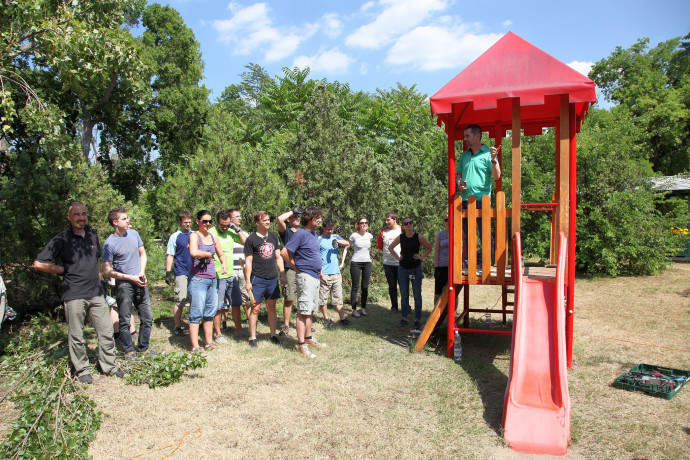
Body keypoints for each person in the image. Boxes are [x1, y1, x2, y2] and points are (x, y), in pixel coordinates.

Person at [33, 202, 124, 384]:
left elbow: (96, 261)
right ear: (69, 217)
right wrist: (61, 270)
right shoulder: (62, 239)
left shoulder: (92, 234)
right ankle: (82, 370)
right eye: (76, 214)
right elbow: (39, 263)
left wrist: (100, 282)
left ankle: (109, 365)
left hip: (96, 292)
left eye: (83, 214)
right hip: (74, 293)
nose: (81, 218)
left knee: (106, 331)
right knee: (77, 334)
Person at [102, 208, 154, 360]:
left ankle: (143, 348)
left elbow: (142, 254)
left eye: (127, 218)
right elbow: (107, 270)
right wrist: (129, 277)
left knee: (147, 317)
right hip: (124, 285)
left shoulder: (134, 234)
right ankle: (129, 351)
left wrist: (141, 272)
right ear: (115, 222)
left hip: (140, 281)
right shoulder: (109, 243)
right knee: (125, 320)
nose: (128, 220)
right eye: (124, 219)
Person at [281, 207, 328, 358]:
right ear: (309, 218)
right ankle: (301, 345)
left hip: (314, 276)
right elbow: (284, 253)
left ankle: (308, 339)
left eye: (320, 217)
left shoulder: (313, 233)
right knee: (303, 311)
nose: (320, 220)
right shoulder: (300, 233)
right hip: (305, 276)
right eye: (317, 217)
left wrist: (320, 273)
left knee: (311, 309)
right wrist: (295, 265)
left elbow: (313, 254)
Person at [456, 124, 501, 268]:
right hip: (464, 200)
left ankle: (487, 263)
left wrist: (494, 159)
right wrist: (459, 183)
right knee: (467, 234)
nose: (464, 139)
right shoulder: (465, 154)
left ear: (477, 136)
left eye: (467, 136)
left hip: (482, 200)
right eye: (464, 136)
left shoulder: (488, 153)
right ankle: (470, 262)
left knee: (485, 233)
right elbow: (460, 174)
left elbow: (497, 176)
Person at [243, 211, 286, 347]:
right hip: (258, 278)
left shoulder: (273, 237)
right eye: (264, 220)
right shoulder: (251, 239)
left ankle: (273, 334)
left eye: (268, 220)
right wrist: (248, 281)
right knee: (255, 308)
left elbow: (278, 257)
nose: (268, 222)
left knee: (272, 307)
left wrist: (282, 274)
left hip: (272, 278)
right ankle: (253, 337)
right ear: (257, 223)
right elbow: (248, 262)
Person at [188, 210, 227, 353]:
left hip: (212, 279)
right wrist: (208, 254)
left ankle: (209, 342)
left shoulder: (213, 237)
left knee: (210, 312)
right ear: (197, 221)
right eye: (204, 221)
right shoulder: (194, 236)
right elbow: (193, 252)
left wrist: (224, 263)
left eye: (210, 221)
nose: (208, 224)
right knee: (196, 312)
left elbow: (221, 254)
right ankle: (195, 346)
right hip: (198, 279)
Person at [209, 209, 247, 344]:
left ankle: (239, 330)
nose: (224, 228)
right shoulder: (211, 233)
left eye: (226, 225)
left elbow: (246, 242)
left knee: (236, 303)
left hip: (231, 274)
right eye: (222, 225)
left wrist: (236, 228)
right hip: (217, 275)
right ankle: (218, 334)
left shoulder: (231, 231)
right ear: (217, 222)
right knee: (218, 306)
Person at [388, 218, 432, 330]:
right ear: (403, 226)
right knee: (404, 296)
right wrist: (398, 258)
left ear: (413, 224)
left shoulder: (418, 236)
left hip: (415, 269)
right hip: (403, 269)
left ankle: (417, 320)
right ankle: (404, 318)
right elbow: (390, 247)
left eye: (410, 223)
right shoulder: (401, 237)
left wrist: (421, 257)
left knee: (417, 296)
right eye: (406, 224)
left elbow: (429, 248)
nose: (409, 225)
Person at [318, 218, 351, 327]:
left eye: (332, 229)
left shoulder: (335, 237)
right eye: (328, 229)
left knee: (338, 297)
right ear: (323, 227)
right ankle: (326, 318)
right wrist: (320, 272)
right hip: (324, 274)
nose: (330, 231)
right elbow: (315, 256)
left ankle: (342, 318)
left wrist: (337, 241)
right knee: (323, 298)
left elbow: (348, 243)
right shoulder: (318, 239)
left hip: (336, 273)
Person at [165, 211, 193, 336]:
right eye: (185, 222)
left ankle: (194, 324)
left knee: (195, 300)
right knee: (180, 300)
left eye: (189, 222)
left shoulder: (195, 235)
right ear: (180, 222)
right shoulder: (175, 236)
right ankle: (177, 326)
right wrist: (168, 272)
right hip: (181, 271)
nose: (187, 225)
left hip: (194, 272)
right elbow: (170, 254)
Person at [276, 206, 302, 336]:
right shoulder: (286, 232)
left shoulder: (303, 231)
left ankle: (303, 323)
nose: (297, 218)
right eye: (294, 217)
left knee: (303, 297)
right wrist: (292, 211)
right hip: (290, 268)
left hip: (303, 268)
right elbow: (279, 219)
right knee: (289, 298)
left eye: (298, 216)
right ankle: (286, 325)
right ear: (289, 220)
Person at [227, 209, 250, 338]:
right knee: (233, 301)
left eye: (240, 216)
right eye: (237, 217)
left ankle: (252, 325)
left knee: (246, 298)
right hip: (230, 269)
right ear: (230, 219)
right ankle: (237, 328)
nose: (240, 219)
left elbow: (248, 247)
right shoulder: (226, 233)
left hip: (243, 269)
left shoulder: (243, 233)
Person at [349, 217, 373, 318]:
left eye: (366, 222)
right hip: (356, 263)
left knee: (365, 286)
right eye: (361, 223)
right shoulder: (354, 235)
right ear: (358, 224)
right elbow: (347, 246)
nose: (364, 224)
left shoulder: (370, 236)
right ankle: (354, 310)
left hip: (367, 263)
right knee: (355, 286)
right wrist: (342, 261)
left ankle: (363, 308)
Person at [378, 211, 402, 313]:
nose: (386, 221)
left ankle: (406, 306)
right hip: (388, 263)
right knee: (392, 286)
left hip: (401, 263)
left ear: (394, 219)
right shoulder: (383, 232)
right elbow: (380, 247)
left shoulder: (402, 230)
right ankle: (394, 307)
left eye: (388, 219)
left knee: (403, 286)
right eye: (386, 219)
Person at [434, 215, 450, 305]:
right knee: (438, 292)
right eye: (446, 220)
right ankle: (435, 315)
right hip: (441, 265)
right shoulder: (440, 234)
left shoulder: (458, 233)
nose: (448, 221)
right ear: (444, 222)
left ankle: (452, 314)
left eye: (450, 219)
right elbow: (436, 251)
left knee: (453, 292)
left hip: (454, 267)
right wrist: (436, 267)